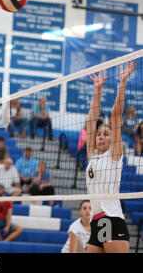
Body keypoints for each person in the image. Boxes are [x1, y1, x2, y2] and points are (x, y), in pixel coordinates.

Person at [85, 61, 136, 253]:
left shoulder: (114, 155)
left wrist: (122, 83)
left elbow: (115, 116)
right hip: (97, 221)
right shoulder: (92, 156)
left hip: (111, 219)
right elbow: (91, 120)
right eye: (99, 134)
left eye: (106, 134)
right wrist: (97, 91)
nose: (101, 136)